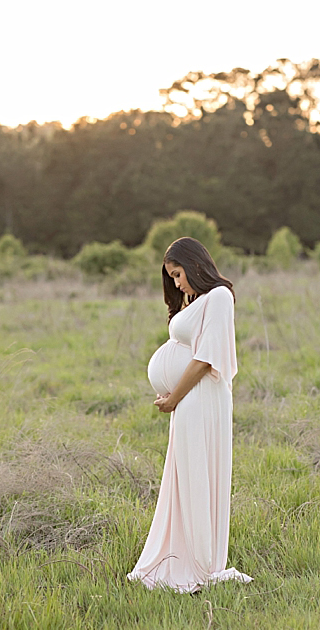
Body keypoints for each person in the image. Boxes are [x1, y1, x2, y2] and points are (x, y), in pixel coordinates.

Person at [129, 237, 252, 593]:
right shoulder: (199, 300)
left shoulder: (219, 297)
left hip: (200, 399)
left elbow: (205, 359)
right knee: (184, 474)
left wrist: (173, 398)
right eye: (172, 277)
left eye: (179, 274)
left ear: (196, 265)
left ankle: (200, 563)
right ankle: (181, 554)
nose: (177, 283)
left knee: (197, 471)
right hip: (188, 399)